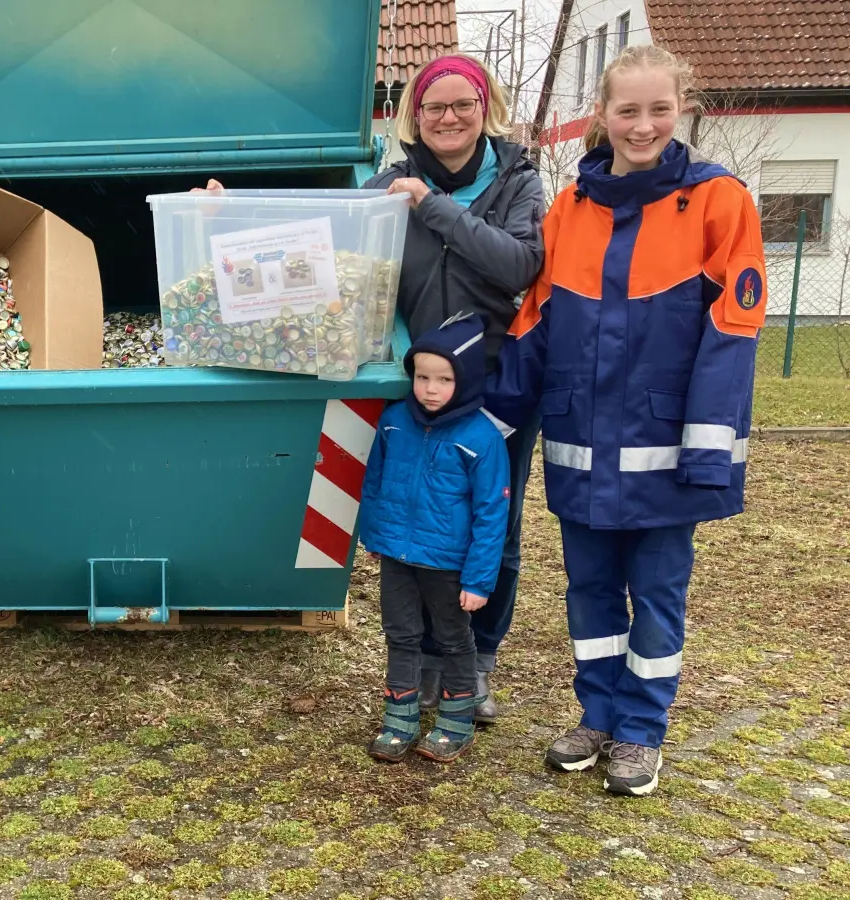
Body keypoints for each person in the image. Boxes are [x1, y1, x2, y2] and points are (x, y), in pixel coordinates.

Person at [200, 54, 544, 724]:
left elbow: (520, 265)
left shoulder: (518, 183)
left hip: (500, 383)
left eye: (461, 105)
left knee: (491, 528)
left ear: (484, 108)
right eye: (433, 107)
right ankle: (419, 667)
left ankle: (475, 665)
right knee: (421, 522)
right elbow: (318, 229)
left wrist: (432, 208)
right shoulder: (393, 181)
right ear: (416, 115)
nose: (447, 118)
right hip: (421, 386)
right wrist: (227, 213)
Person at [485, 45, 766, 797]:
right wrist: (491, 425)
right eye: (627, 110)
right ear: (602, 118)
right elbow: (535, 328)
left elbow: (732, 337)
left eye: (658, 109)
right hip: (581, 448)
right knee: (590, 594)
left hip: (667, 452)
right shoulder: (571, 208)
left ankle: (642, 729)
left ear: (684, 110)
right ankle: (597, 715)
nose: (642, 126)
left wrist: (710, 452)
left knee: (659, 595)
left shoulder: (722, 201)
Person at [356, 313, 510, 763]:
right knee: (400, 634)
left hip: (447, 562)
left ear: (464, 381)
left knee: (453, 639)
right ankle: (399, 718)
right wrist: (377, 535)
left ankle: (457, 720)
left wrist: (479, 580)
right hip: (398, 557)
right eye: (422, 377)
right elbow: (376, 481)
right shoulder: (393, 422)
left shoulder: (482, 438)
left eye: (444, 379)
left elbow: (491, 514)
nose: (430, 388)